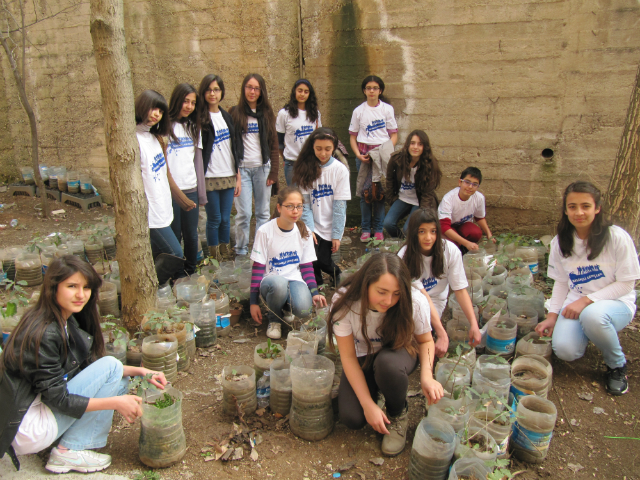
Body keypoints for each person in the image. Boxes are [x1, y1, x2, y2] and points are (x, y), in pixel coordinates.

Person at [0, 256, 167, 473]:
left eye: (86, 287)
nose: (81, 295)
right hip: (28, 427)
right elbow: (60, 399)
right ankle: (68, 452)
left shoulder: (64, 318)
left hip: (38, 407)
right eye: (72, 286)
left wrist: (141, 371)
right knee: (111, 371)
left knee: (118, 378)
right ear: (53, 287)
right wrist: (117, 403)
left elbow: (86, 367)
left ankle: (70, 440)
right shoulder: (43, 333)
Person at [328, 253, 443, 456]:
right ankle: (379, 392)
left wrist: (427, 375)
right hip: (364, 356)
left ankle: (397, 412)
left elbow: (426, 341)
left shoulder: (414, 301)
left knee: (387, 365)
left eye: (397, 293)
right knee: (352, 418)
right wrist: (367, 404)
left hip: (399, 352)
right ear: (366, 284)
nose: (389, 301)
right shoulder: (345, 302)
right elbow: (347, 357)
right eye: (382, 292)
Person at [535, 181, 640, 395]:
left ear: (597, 208)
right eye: (572, 206)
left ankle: (616, 365)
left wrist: (586, 301)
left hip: (616, 302)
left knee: (593, 316)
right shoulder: (560, 242)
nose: (579, 212)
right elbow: (562, 282)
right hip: (577, 302)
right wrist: (553, 315)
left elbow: (627, 283)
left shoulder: (616, 238)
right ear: (565, 210)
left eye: (586, 206)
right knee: (565, 351)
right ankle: (592, 331)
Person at [398, 208, 482, 357]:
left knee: (424, 330)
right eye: (421, 231)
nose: (428, 237)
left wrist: (473, 324)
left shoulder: (450, 251)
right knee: (408, 333)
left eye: (433, 231)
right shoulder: (405, 256)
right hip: (412, 299)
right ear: (413, 233)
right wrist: (442, 333)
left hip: (436, 299)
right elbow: (421, 296)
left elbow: (460, 290)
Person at [249, 187, 328, 340]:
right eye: (290, 206)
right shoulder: (265, 231)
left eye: (299, 206)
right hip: (272, 281)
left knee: (304, 310)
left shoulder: (304, 231)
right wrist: (253, 302)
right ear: (279, 207)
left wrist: (314, 292)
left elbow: (306, 267)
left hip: (294, 279)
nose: (295, 211)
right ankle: (274, 319)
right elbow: (258, 268)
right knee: (278, 284)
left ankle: (285, 308)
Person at [135, 89, 193, 283]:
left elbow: (164, 174)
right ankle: (150, 287)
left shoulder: (154, 138)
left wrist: (182, 201)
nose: (156, 114)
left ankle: (157, 293)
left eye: (160, 111)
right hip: (151, 214)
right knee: (175, 253)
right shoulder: (134, 140)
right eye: (153, 108)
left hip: (163, 207)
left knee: (153, 256)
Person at [294, 127, 351, 288]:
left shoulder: (340, 171)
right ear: (312, 147)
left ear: (334, 148)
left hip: (331, 224)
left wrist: (336, 234)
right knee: (311, 257)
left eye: (327, 149)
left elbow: (340, 206)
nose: (323, 153)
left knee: (324, 260)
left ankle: (336, 273)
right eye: (318, 148)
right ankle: (317, 283)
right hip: (312, 222)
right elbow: (305, 203)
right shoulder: (305, 168)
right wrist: (310, 228)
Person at [231, 73, 279, 256]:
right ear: (244, 89)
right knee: (243, 214)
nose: (252, 91)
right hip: (241, 170)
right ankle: (241, 250)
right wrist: (234, 173)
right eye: (249, 87)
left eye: (256, 88)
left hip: (263, 169)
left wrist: (273, 172)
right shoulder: (235, 113)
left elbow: (274, 145)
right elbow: (231, 146)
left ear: (261, 91)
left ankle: (260, 250)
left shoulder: (267, 114)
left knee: (263, 213)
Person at [349, 75, 398, 242]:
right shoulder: (359, 111)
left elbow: (393, 135)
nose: (371, 91)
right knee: (365, 194)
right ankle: (365, 228)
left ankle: (378, 229)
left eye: (375, 88)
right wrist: (357, 154)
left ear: (380, 90)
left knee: (380, 193)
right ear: (364, 90)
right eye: (368, 88)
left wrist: (385, 153)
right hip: (364, 156)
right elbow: (353, 137)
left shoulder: (387, 109)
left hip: (382, 157)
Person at [197, 74, 240, 260]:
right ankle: (214, 258)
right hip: (210, 176)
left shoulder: (226, 116)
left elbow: (234, 149)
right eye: (208, 89)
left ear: (221, 92)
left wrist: (237, 176)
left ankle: (225, 253)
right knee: (214, 219)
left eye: (216, 89)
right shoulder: (199, 118)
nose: (212, 93)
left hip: (229, 174)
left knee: (225, 219)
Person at [167, 83, 207, 275]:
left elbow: (197, 162)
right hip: (171, 190)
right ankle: (175, 273)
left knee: (191, 234)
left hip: (190, 187)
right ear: (177, 100)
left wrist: (201, 193)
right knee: (174, 234)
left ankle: (190, 271)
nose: (189, 106)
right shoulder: (164, 126)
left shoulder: (193, 127)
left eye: (192, 103)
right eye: (185, 101)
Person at [383, 130, 442, 238]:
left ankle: (410, 244)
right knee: (388, 224)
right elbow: (390, 180)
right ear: (408, 144)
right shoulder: (397, 159)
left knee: (408, 229)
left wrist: (422, 213)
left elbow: (428, 194)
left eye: (420, 144)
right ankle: (402, 242)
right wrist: (392, 199)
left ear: (425, 147)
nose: (415, 147)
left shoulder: (430, 164)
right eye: (413, 143)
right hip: (402, 198)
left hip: (420, 202)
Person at [437, 166, 495, 254]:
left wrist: (489, 234)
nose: (470, 187)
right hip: (447, 228)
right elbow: (444, 226)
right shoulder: (448, 198)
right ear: (460, 182)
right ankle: (458, 246)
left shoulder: (479, 198)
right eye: (467, 182)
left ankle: (462, 246)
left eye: (475, 184)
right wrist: (467, 243)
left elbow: (479, 217)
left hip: (462, 226)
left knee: (476, 233)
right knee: (451, 245)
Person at [276, 79, 322, 186]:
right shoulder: (284, 113)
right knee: (294, 198)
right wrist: (286, 157)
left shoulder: (315, 113)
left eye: (306, 92)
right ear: (294, 92)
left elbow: (319, 137)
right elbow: (279, 141)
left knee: (309, 198)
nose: (302, 94)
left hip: (311, 162)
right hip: (292, 163)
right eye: (300, 90)